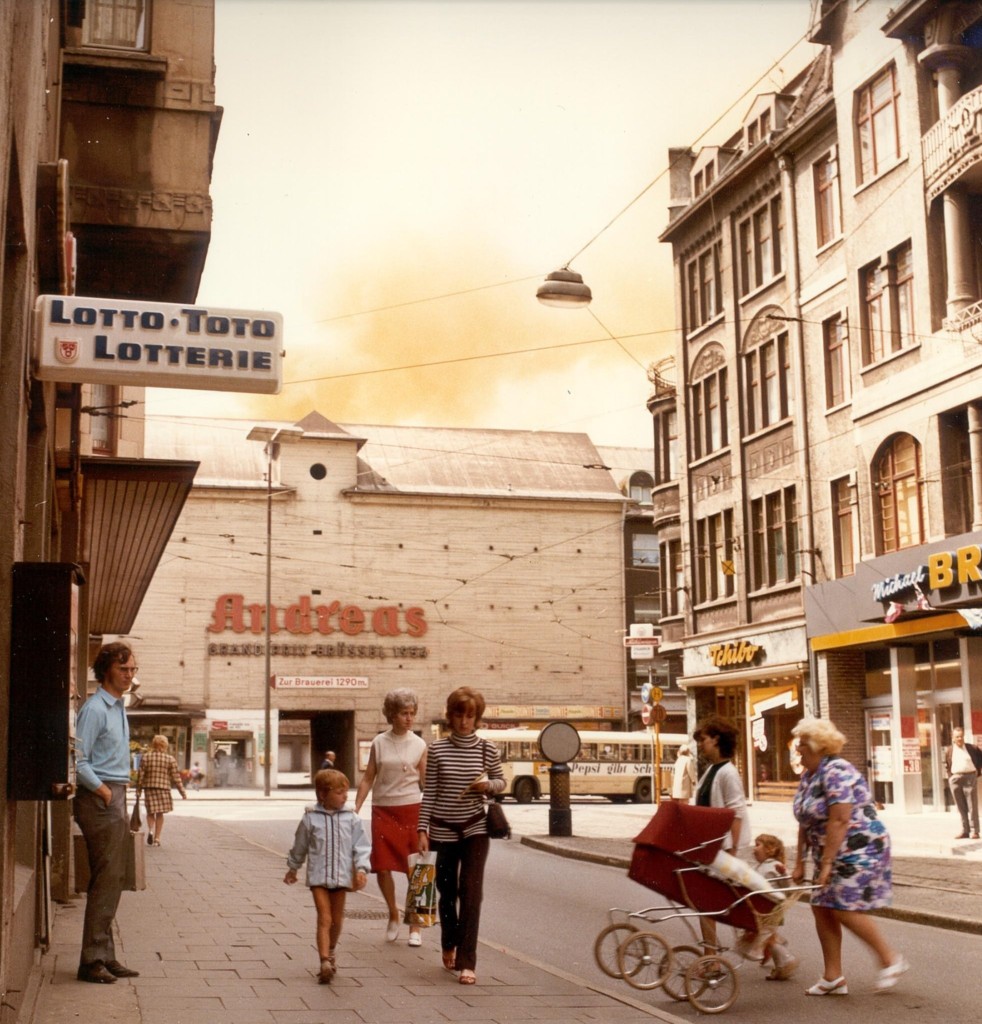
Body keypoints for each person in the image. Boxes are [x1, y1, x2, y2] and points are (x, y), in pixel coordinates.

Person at [790, 717, 908, 996]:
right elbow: (804, 821)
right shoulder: (809, 775)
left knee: (842, 904)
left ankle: (890, 958)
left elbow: (840, 820)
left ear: (818, 746)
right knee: (820, 904)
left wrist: (827, 863)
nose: (798, 750)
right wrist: (799, 861)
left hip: (859, 847)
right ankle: (833, 977)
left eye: (803, 744)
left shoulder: (837, 771)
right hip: (828, 848)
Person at [417, 686, 505, 986]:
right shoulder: (438, 749)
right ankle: (448, 943)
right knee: (447, 891)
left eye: (471, 716)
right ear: (450, 716)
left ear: (477, 718)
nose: (465, 721)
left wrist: (487, 787)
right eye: (459, 714)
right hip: (442, 829)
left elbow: (501, 781)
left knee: (471, 892)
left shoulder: (486, 749)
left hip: (475, 828)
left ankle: (468, 963)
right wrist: (422, 829)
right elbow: (430, 794)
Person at [73, 641, 141, 984]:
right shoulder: (96, 708)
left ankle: (105, 955)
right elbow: (77, 758)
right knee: (107, 878)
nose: (129, 675)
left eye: (132, 670)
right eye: (123, 669)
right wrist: (101, 791)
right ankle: (91, 961)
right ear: (106, 670)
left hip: (115, 794)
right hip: (101, 796)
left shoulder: (116, 707)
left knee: (112, 878)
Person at [354, 688, 428, 946]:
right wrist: (356, 808)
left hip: (411, 809)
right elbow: (368, 778)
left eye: (412, 713)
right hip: (383, 809)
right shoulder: (379, 742)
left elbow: (425, 783)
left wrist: (429, 818)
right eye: (403, 713)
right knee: (383, 866)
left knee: (415, 870)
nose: (409, 718)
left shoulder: (419, 744)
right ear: (391, 715)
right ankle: (393, 914)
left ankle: (415, 926)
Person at [285, 768, 370, 984]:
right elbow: (300, 845)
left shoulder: (351, 819)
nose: (345, 796)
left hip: (342, 877)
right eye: (339, 793)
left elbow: (361, 846)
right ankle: (324, 961)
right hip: (318, 877)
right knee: (325, 918)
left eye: (345, 793)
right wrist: (293, 867)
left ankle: (331, 950)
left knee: (337, 920)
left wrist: (361, 869)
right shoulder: (310, 819)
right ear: (323, 795)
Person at [693, 714, 750, 954]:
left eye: (703, 739)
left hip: (724, 849)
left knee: (708, 902)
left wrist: (734, 852)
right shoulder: (711, 771)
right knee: (719, 902)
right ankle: (778, 952)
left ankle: (711, 958)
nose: (700, 744)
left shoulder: (727, 772)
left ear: (716, 740)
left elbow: (736, 812)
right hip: (712, 847)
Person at [734, 834, 798, 980]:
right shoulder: (761, 866)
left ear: (769, 849)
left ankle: (787, 960)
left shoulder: (774, 866)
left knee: (768, 938)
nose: (754, 848)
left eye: (758, 845)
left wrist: (784, 875)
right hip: (762, 909)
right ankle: (781, 967)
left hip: (770, 909)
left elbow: (787, 886)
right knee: (768, 937)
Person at [137, 735, 187, 847]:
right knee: (160, 814)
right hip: (163, 789)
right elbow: (176, 778)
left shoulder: (146, 757)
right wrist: (182, 792)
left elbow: (141, 775)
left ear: (153, 744)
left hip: (149, 788)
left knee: (150, 812)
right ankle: (157, 838)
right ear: (165, 745)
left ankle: (150, 830)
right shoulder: (170, 759)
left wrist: (139, 790)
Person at [944, 726, 982, 840]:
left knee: (972, 805)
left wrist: (977, 772)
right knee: (961, 807)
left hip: (969, 777)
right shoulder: (949, 750)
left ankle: (975, 831)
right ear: (953, 738)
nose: (959, 739)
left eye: (961, 736)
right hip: (956, 779)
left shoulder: (972, 748)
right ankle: (965, 830)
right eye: (957, 737)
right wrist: (951, 777)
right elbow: (947, 764)